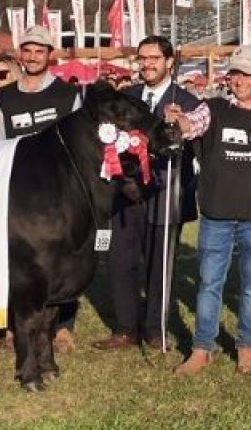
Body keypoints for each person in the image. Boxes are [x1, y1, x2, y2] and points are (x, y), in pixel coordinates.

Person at [166, 46, 251, 375]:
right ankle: (202, 348)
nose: (240, 80)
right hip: (218, 212)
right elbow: (192, 124)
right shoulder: (214, 108)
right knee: (209, 283)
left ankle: (246, 345)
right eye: (235, 73)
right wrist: (179, 121)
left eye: (247, 73)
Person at [92, 35, 201, 351]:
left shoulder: (187, 100)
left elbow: (194, 131)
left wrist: (178, 123)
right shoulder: (126, 97)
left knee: (159, 263)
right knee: (120, 261)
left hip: (166, 190)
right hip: (125, 193)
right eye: (142, 58)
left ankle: (155, 329)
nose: (147, 63)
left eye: (154, 58)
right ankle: (126, 328)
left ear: (169, 62)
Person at [0, 25, 82, 349]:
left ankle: (62, 326)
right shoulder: (3, 97)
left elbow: (76, 143)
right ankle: (13, 326)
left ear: (50, 55)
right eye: (27, 50)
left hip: (59, 192)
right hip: (19, 194)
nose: (32, 56)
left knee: (62, 259)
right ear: (20, 54)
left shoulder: (68, 94)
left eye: (39, 51)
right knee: (15, 261)